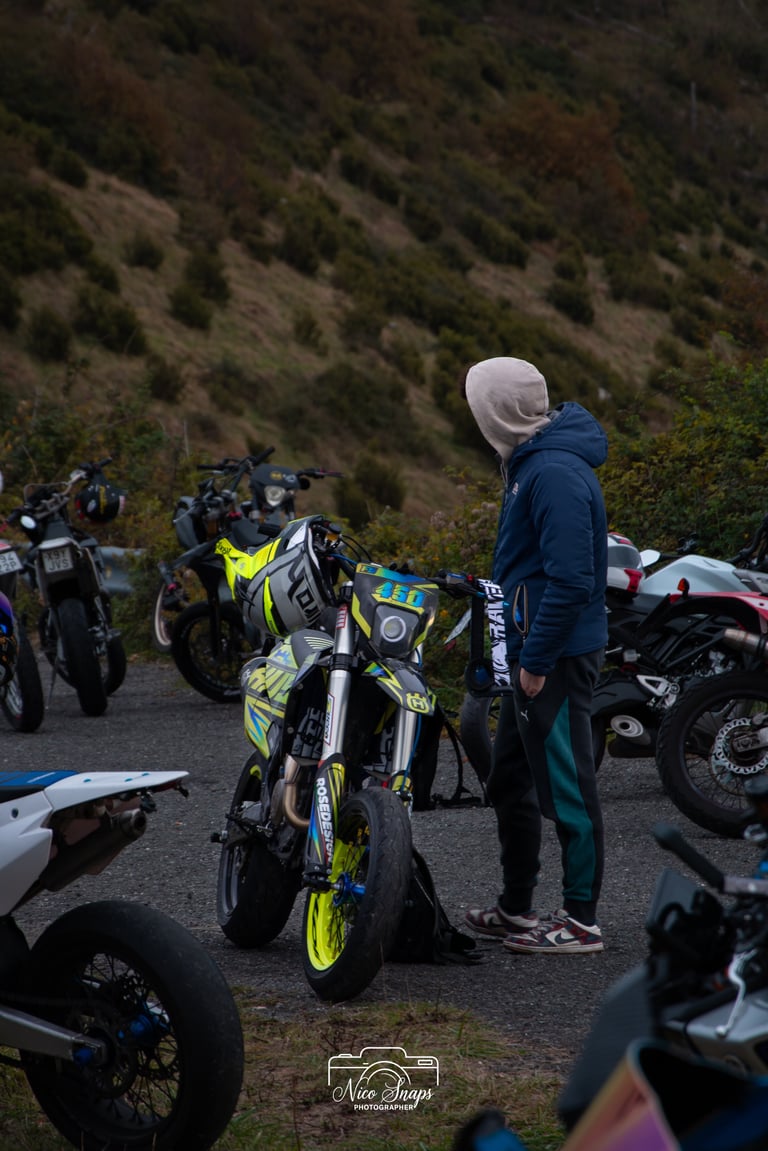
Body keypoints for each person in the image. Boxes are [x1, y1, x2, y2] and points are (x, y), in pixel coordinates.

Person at [462, 356, 608, 954]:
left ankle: (580, 921)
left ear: (498, 412)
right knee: (510, 778)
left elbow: (571, 580)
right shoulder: (528, 462)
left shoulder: (551, 472)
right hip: (533, 645)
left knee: (569, 787)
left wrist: (537, 662)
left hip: (555, 655)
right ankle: (517, 909)